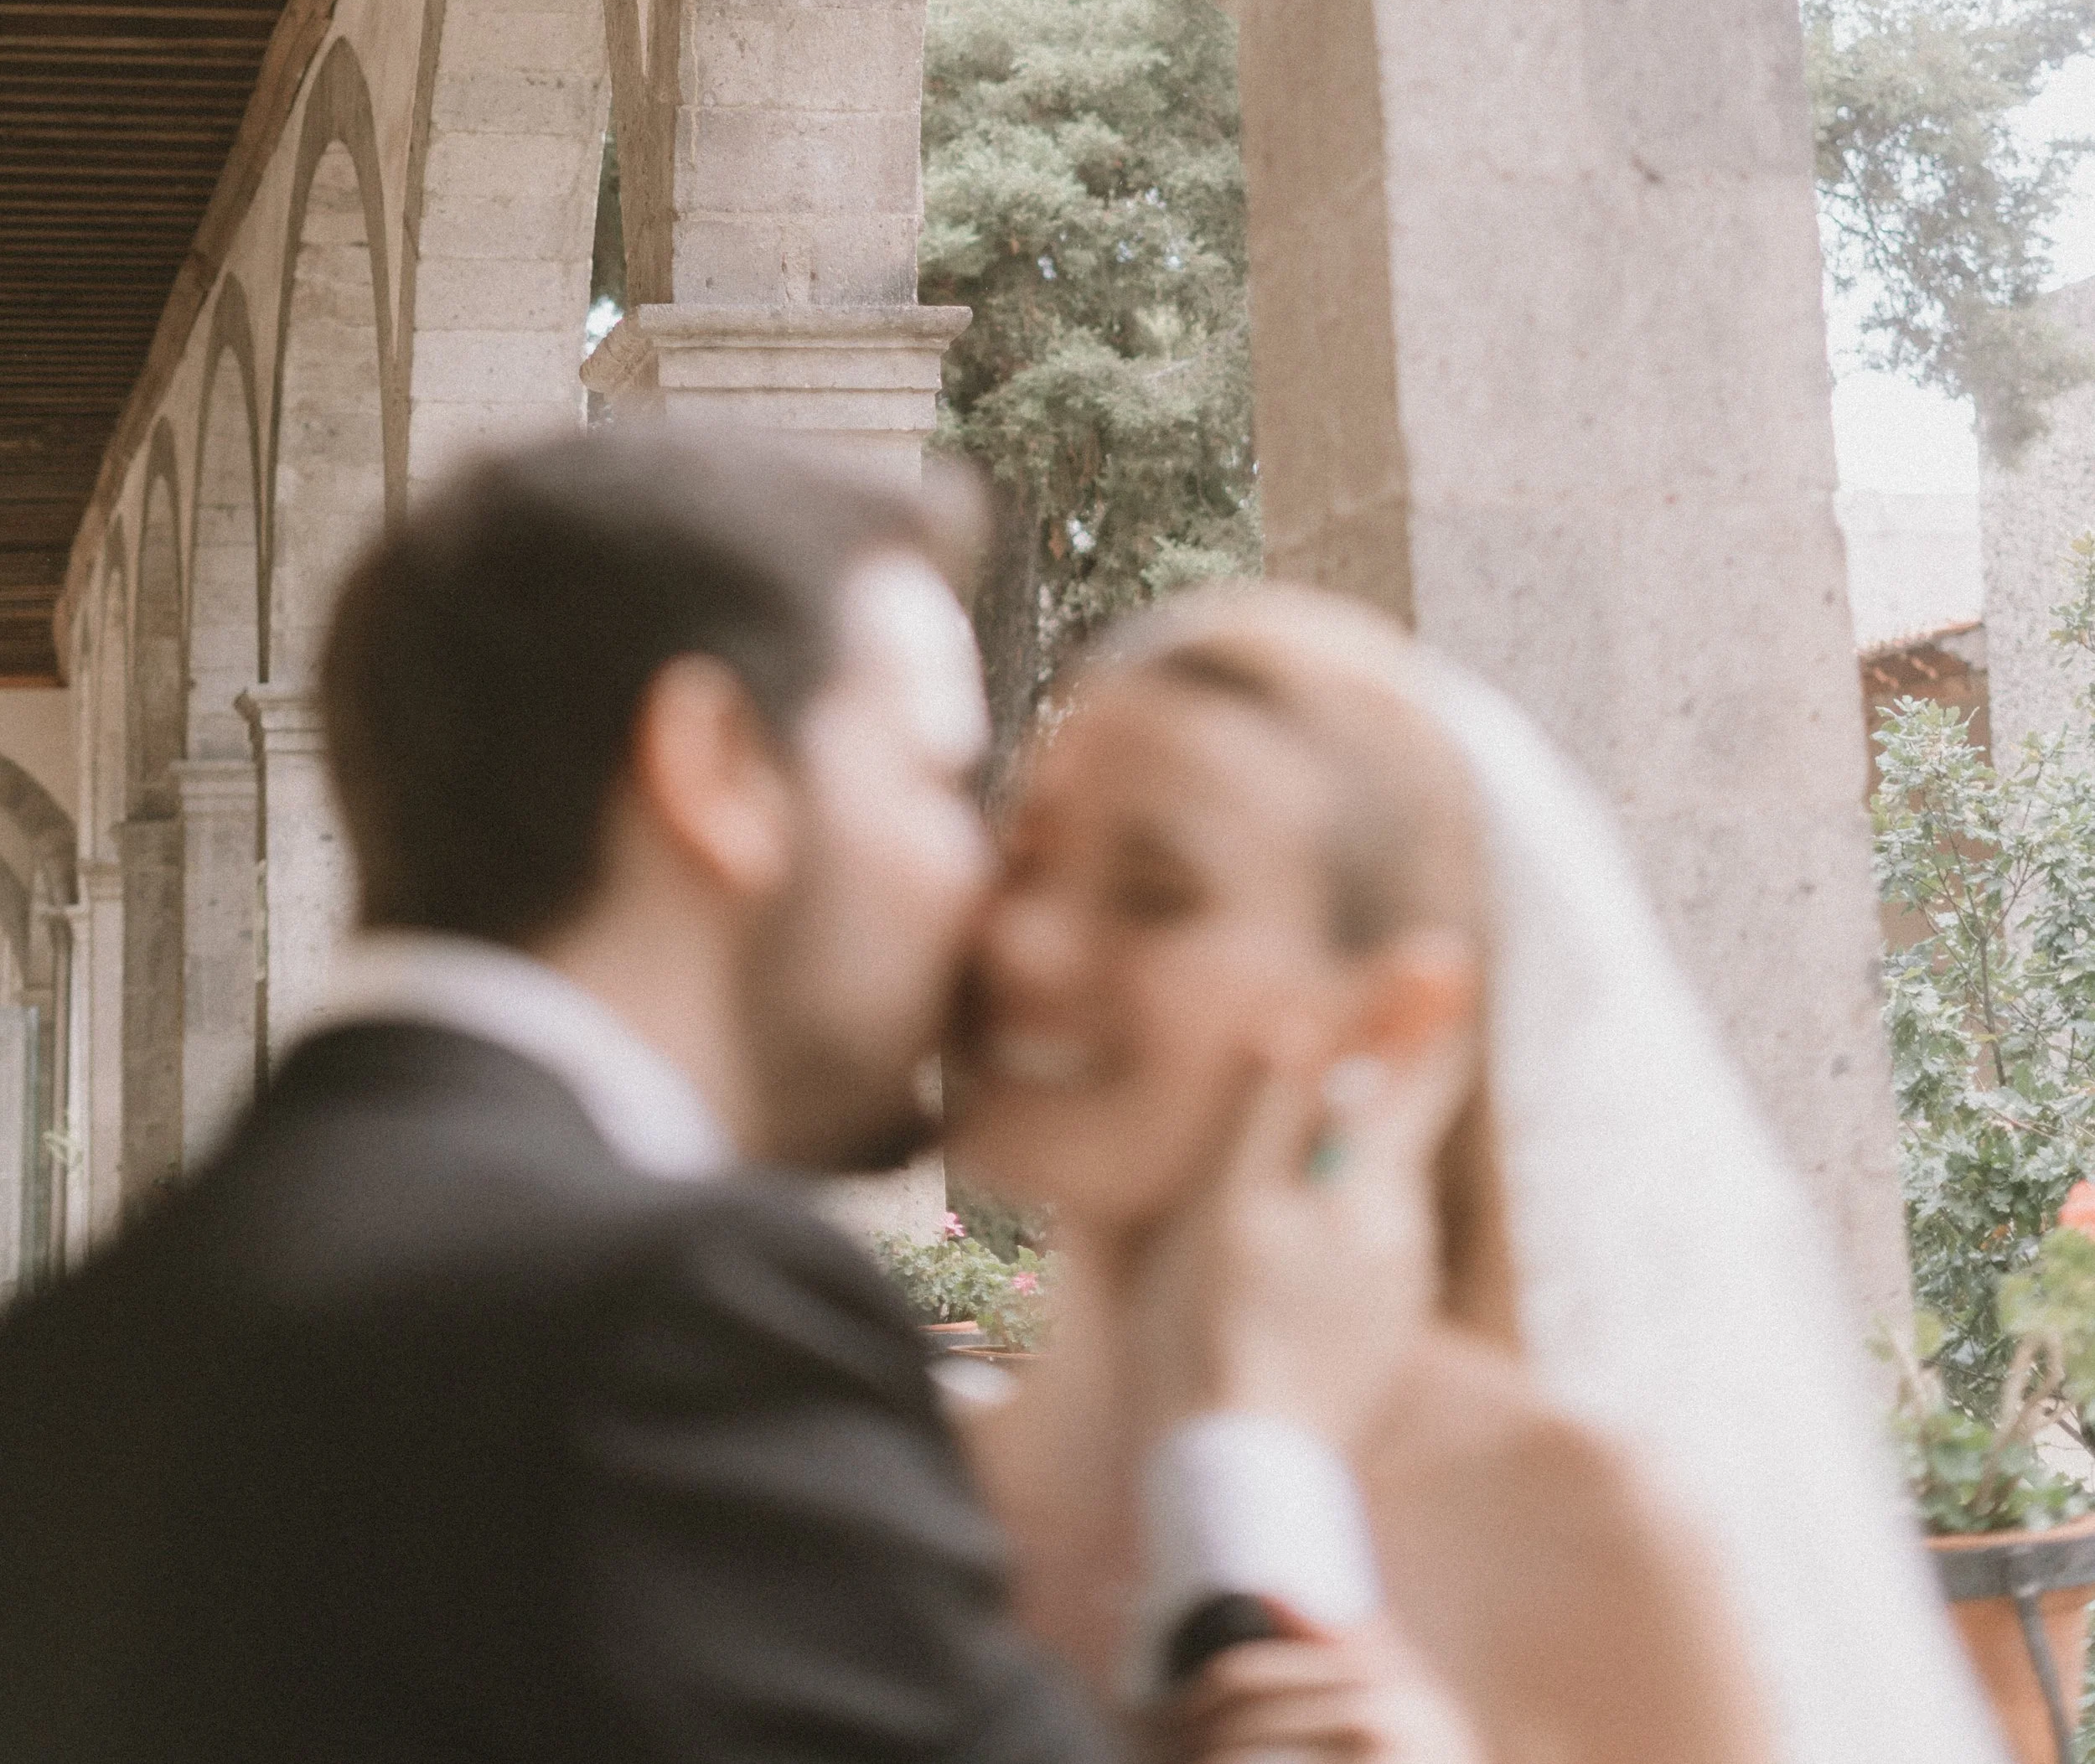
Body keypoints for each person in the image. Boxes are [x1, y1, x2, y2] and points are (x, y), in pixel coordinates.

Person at [0, 434, 1453, 1763]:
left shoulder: (67, 1359)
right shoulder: (667, 1327)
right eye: (945, 783)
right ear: (718, 771)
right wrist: (1258, 1470)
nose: (991, 902)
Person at [947, 582, 2002, 1764]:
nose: (1022, 943)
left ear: (1394, 1017)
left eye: (1155, 895)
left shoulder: (1575, 1531)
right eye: (1025, 859)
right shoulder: (883, 1488)